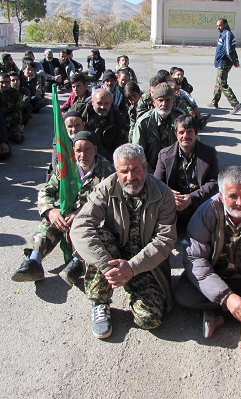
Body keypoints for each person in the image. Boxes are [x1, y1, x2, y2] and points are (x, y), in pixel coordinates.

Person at [70, 143, 177, 339]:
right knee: (98, 237)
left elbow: (165, 240)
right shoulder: (106, 187)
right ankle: (100, 301)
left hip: (145, 264)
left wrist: (132, 268)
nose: (130, 177)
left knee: (150, 319)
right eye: (124, 171)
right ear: (116, 171)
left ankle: (131, 286)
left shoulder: (164, 195)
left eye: (135, 169)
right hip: (113, 257)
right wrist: (106, 267)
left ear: (145, 167)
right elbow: (80, 226)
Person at [174, 166, 241, 338]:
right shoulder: (206, 214)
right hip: (219, 278)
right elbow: (195, 259)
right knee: (182, 293)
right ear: (221, 196)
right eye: (233, 196)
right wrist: (227, 297)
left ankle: (222, 316)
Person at [12, 131, 115, 285]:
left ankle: (77, 263)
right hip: (65, 215)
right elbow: (46, 191)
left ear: (95, 149)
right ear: (73, 150)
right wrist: (50, 211)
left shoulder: (108, 171)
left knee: (91, 231)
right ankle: (34, 262)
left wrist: (82, 214)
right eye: (78, 150)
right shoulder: (66, 168)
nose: (83, 154)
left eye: (87, 149)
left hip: (90, 217)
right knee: (50, 223)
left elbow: (109, 202)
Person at [154, 114, 219, 225]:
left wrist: (191, 198)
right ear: (176, 134)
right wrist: (169, 194)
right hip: (173, 204)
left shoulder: (209, 153)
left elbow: (214, 183)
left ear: (196, 133)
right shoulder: (165, 155)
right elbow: (156, 182)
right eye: (181, 132)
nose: (185, 136)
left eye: (189, 132)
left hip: (199, 203)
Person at [132, 82, 184, 172]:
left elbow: (191, 146)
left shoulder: (180, 119)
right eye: (160, 100)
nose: (164, 104)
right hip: (150, 170)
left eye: (167, 100)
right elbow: (138, 155)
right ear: (154, 102)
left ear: (173, 101)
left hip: (176, 169)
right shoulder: (143, 123)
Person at [70, 88, 128, 161]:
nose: (103, 107)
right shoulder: (79, 111)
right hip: (80, 153)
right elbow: (62, 132)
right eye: (99, 103)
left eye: (106, 103)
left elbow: (120, 146)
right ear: (92, 102)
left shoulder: (117, 118)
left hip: (107, 156)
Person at [208, 18, 241, 114]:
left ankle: (236, 104)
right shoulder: (223, 34)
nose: (218, 27)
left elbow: (229, 50)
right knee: (218, 82)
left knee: (222, 84)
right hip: (221, 62)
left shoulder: (227, 34)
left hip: (224, 63)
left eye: (220, 25)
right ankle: (214, 102)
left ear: (225, 24)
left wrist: (234, 60)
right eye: (217, 26)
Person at [0, 73, 25, 144]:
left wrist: (6, 122)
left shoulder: (16, 94)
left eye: (7, 82)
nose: (4, 85)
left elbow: (17, 113)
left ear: (10, 83)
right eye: (2, 82)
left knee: (18, 138)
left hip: (11, 121)